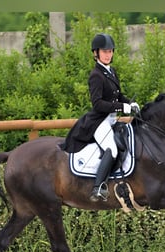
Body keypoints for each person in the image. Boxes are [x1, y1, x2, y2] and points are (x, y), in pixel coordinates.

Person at [61, 33, 140, 202]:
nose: (108, 54)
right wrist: (122, 107)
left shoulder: (111, 71)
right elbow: (98, 104)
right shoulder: (96, 75)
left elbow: (118, 96)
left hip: (112, 119)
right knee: (111, 149)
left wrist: (130, 104)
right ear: (96, 53)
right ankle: (98, 187)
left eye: (110, 51)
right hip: (99, 122)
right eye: (104, 51)